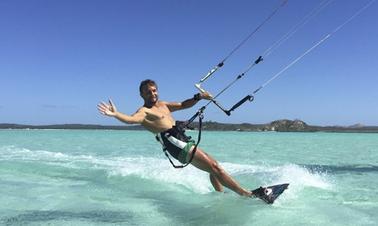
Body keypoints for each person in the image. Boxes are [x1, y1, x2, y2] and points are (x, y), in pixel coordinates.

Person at [97, 79, 254, 197]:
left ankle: (221, 197)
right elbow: (131, 120)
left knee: (213, 168)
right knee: (215, 167)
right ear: (141, 95)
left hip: (181, 138)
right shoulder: (144, 111)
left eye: (154, 90)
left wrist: (199, 96)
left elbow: (183, 104)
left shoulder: (163, 104)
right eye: (148, 92)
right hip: (174, 143)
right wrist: (116, 114)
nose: (152, 94)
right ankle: (247, 195)